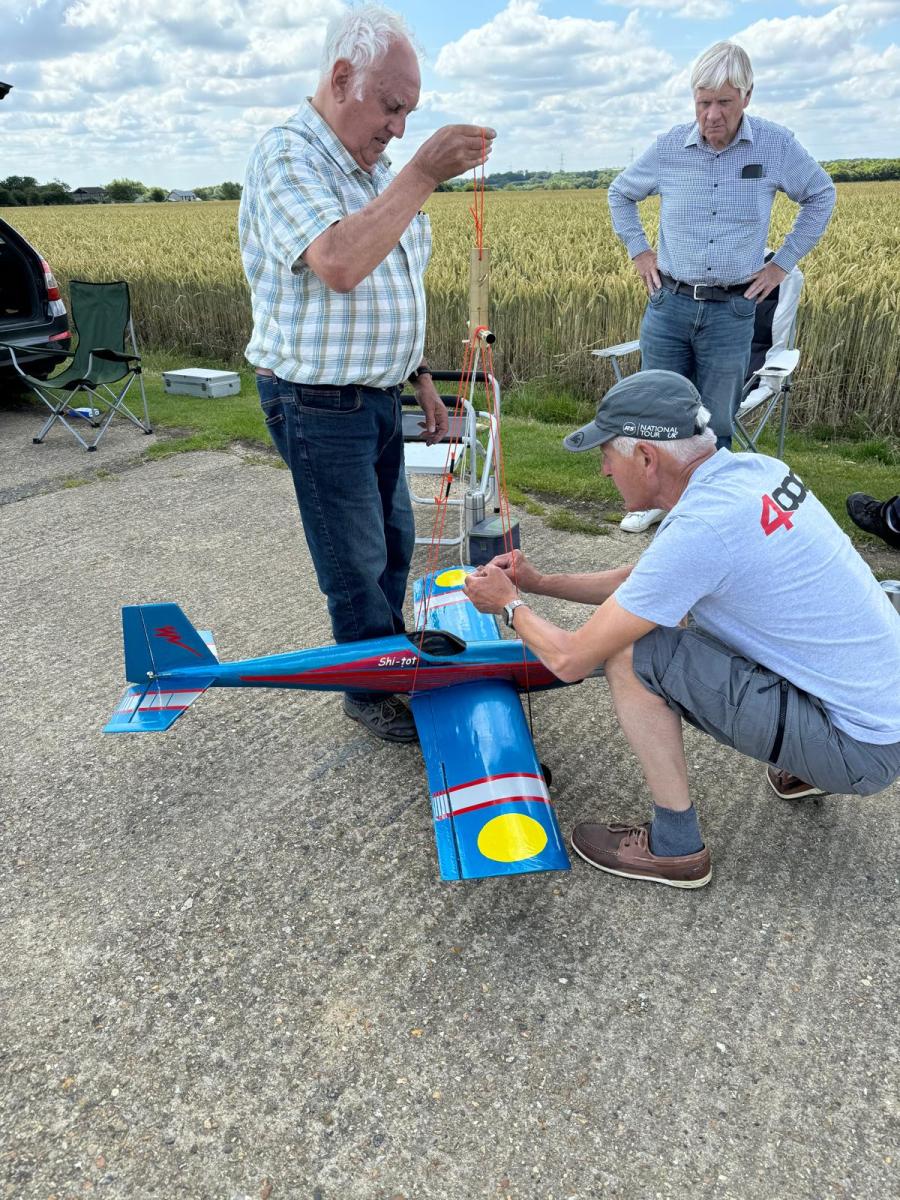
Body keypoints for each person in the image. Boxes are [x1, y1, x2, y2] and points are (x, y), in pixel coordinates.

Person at [463, 370, 900, 890]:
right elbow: (648, 583)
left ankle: (675, 847)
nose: (604, 469)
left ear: (647, 457)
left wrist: (509, 605)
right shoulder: (756, 471)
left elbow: (570, 659)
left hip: (859, 749)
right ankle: (804, 764)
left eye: (608, 454)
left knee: (632, 652)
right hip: (881, 716)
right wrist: (541, 582)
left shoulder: (703, 530)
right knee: (686, 621)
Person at [238, 5, 495, 743]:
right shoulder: (287, 155)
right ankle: (369, 686)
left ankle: (388, 649)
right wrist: (423, 174)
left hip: (377, 395)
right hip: (316, 402)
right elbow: (341, 263)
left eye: (409, 112)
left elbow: (396, 286)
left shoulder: (375, 172)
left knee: (394, 542)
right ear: (342, 77)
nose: (399, 129)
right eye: (391, 107)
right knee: (354, 559)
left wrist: (420, 381)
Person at [608, 40, 835, 532]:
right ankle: (654, 502)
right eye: (703, 102)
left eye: (724, 103)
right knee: (656, 411)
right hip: (668, 303)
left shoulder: (775, 145)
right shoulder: (669, 146)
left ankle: (711, 519)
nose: (712, 115)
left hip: (732, 312)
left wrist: (781, 266)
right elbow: (620, 193)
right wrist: (639, 251)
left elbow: (821, 195)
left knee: (717, 425)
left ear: (747, 97)